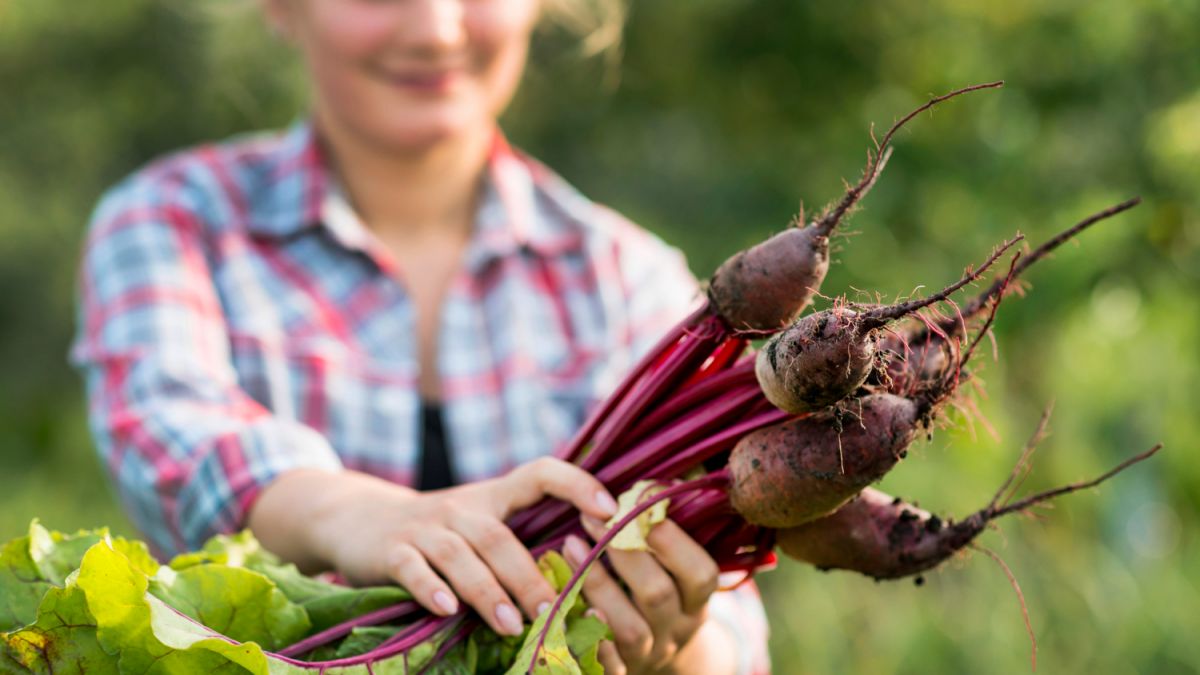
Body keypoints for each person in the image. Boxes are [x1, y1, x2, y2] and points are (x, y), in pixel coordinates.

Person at [71, 1, 769, 672]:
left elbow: (735, 630)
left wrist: (680, 647)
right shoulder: (171, 223)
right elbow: (171, 429)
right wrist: (356, 514)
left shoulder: (628, 278)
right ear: (283, 6)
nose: (436, 28)